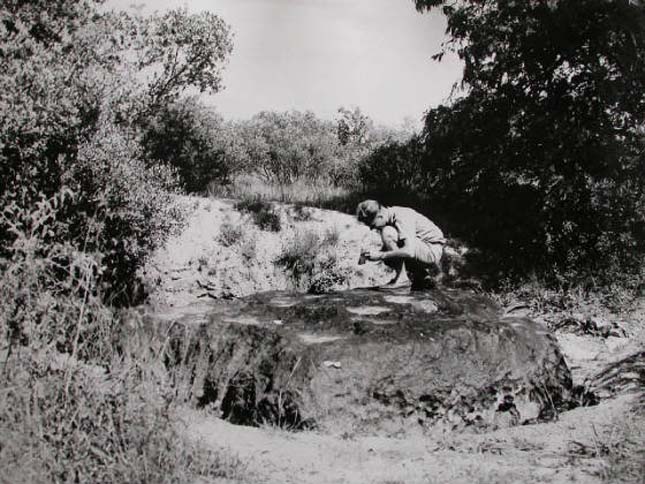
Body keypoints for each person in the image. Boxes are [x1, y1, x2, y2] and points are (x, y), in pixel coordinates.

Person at [356, 199, 446, 289]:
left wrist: (380, 255)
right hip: (423, 248)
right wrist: (370, 255)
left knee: (387, 232)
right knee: (388, 255)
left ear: (380, 216)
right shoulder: (392, 215)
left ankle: (402, 280)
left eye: (372, 225)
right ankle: (422, 275)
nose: (372, 229)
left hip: (431, 250)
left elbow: (409, 251)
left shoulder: (402, 216)